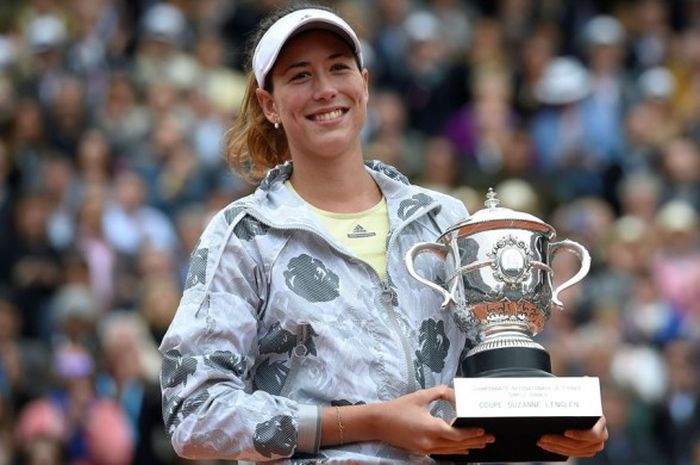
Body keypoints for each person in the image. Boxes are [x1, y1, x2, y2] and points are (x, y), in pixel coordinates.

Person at [159, 4, 608, 464]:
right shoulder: (243, 235)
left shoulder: (442, 219)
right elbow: (194, 415)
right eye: (300, 76)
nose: (326, 89)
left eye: (338, 68)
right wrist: (372, 422)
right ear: (268, 103)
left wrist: (553, 416)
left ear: (365, 84)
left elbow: (488, 378)